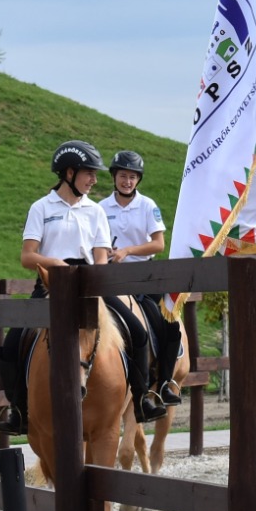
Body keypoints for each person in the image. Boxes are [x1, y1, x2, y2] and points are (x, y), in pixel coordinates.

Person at [0, 140, 164, 436]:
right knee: (11, 346)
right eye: (89, 173)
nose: (95, 179)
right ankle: (19, 410)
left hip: (90, 285)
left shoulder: (95, 211)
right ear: (69, 173)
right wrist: (56, 264)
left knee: (137, 333)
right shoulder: (41, 207)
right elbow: (27, 256)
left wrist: (94, 277)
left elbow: (101, 255)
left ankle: (141, 399)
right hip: (50, 286)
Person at [100, 150, 183, 407]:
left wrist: (128, 250)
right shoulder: (101, 208)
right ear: (114, 177)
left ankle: (167, 381)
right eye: (123, 176)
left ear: (138, 180)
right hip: (112, 277)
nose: (127, 181)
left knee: (170, 325)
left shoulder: (148, 206)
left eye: (133, 177)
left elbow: (158, 244)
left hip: (144, 276)